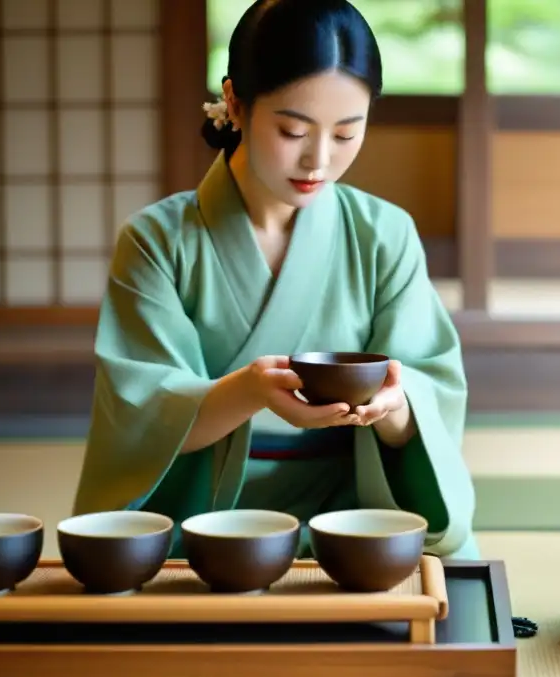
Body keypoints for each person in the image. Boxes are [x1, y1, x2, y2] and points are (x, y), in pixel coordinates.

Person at [71, 0, 479, 562]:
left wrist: (394, 405)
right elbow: (140, 420)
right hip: (200, 524)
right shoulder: (157, 240)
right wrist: (249, 391)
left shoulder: (384, 234)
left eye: (345, 135)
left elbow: (430, 392)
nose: (318, 160)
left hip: (355, 520)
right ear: (235, 102)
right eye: (293, 130)